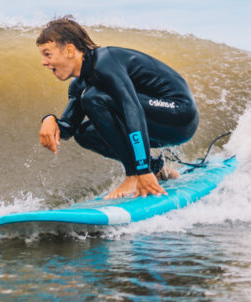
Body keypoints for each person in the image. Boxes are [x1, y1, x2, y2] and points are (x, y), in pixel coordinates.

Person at [36, 16, 200, 199]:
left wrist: (141, 170)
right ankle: (157, 170)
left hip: (179, 113)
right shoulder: (79, 85)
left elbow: (133, 110)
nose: (43, 62)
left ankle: (135, 174)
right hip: (156, 120)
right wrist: (49, 120)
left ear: (69, 50)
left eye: (47, 54)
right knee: (84, 133)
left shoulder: (105, 62)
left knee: (93, 97)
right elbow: (68, 129)